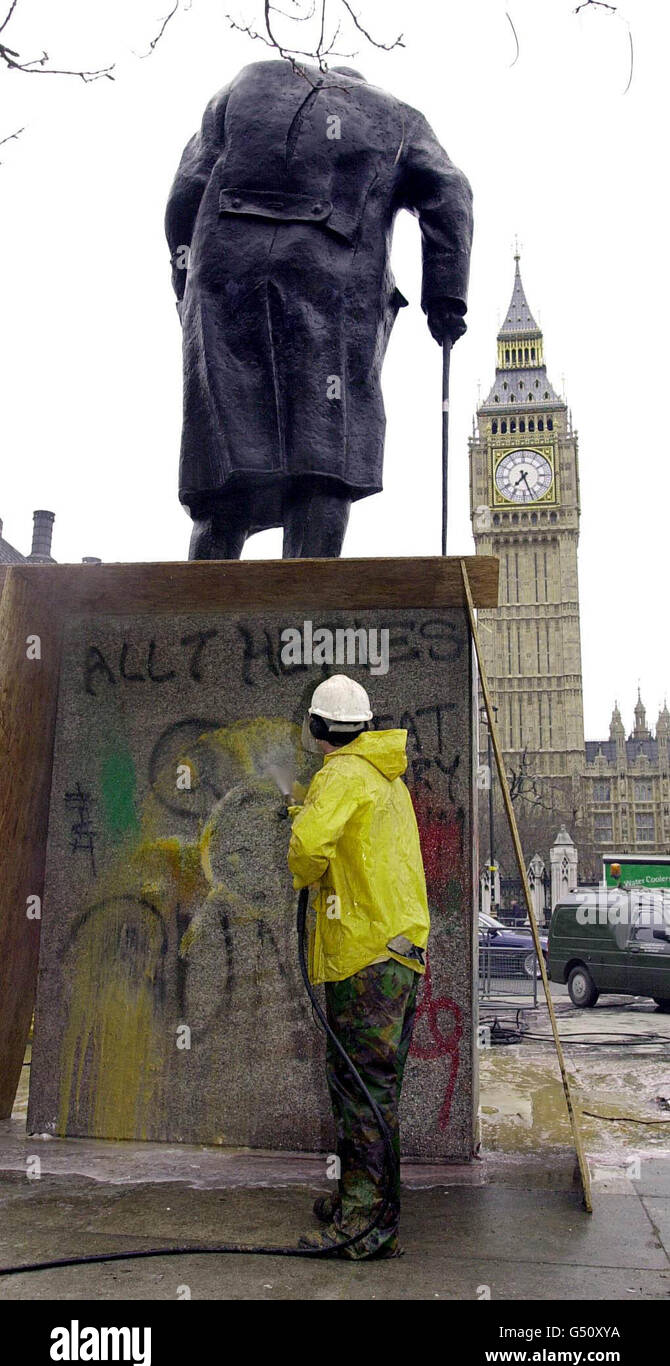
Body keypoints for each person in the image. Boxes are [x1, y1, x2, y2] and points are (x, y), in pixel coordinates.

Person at [165, 59, 473, 559]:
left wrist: (187, 282)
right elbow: (450, 191)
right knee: (324, 459)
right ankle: (306, 615)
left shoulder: (244, 85)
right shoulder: (394, 116)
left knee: (223, 463)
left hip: (225, 273)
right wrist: (444, 297)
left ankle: (199, 617)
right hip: (333, 281)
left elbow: (185, 193)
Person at [287, 674, 430, 1258]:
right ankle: (364, 1200)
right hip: (399, 951)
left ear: (319, 728)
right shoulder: (384, 777)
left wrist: (302, 824)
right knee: (374, 1088)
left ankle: (368, 1228)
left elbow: (304, 851)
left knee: (359, 1089)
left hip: (364, 955)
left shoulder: (341, 774)